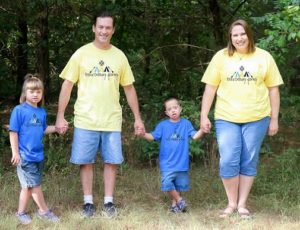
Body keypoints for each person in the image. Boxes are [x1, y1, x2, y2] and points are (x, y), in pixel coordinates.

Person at [55, 11, 145, 218]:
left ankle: (108, 202)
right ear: (94, 28)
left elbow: (129, 88)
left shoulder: (119, 56)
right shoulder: (81, 54)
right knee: (86, 162)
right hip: (86, 118)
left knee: (111, 162)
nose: (104, 31)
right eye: (100, 27)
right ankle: (88, 203)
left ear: (113, 30)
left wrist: (138, 118)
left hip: (111, 119)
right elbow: (67, 85)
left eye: (108, 27)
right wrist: (60, 115)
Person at [200, 19, 283, 218]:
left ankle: (242, 204)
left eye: (242, 34)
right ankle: (231, 203)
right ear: (230, 37)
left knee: (249, 160)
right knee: (228, 160)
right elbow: (210, 87)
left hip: (257, 118)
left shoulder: (264, 57)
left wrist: (274, 119)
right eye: (235, 35)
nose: (239, 38)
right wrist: (204, 115)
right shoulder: (221, 57)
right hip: (226, 117)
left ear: (249, 35)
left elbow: (273, 89)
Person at [9, 74, 60, 225]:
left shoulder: (41, 112)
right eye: (31, 91)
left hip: (38, 155)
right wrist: (15, 152)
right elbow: (13, 132)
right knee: (35, 186)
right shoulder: (19, 110)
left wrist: (57, 128)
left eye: (38, 91)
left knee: (28, 188)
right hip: (25, 156)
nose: (35, 94)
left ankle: (20, 213)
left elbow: (44, 129)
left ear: (42, 93)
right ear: (25, 93)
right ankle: (44, 211)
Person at [140, 97, 203, 213]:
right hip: (167, 163)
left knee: (179, 186)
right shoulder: (163, 125)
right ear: (166, 113)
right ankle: (179, 201)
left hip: (182, 162)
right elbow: (152, 137)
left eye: (175, 107)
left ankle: (175, 206)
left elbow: (195, 136)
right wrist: (142, 134)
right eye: (170, 109)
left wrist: (203, 130)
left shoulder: (186, 124)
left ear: (180, 109)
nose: (173, 110)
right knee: (167, 183)